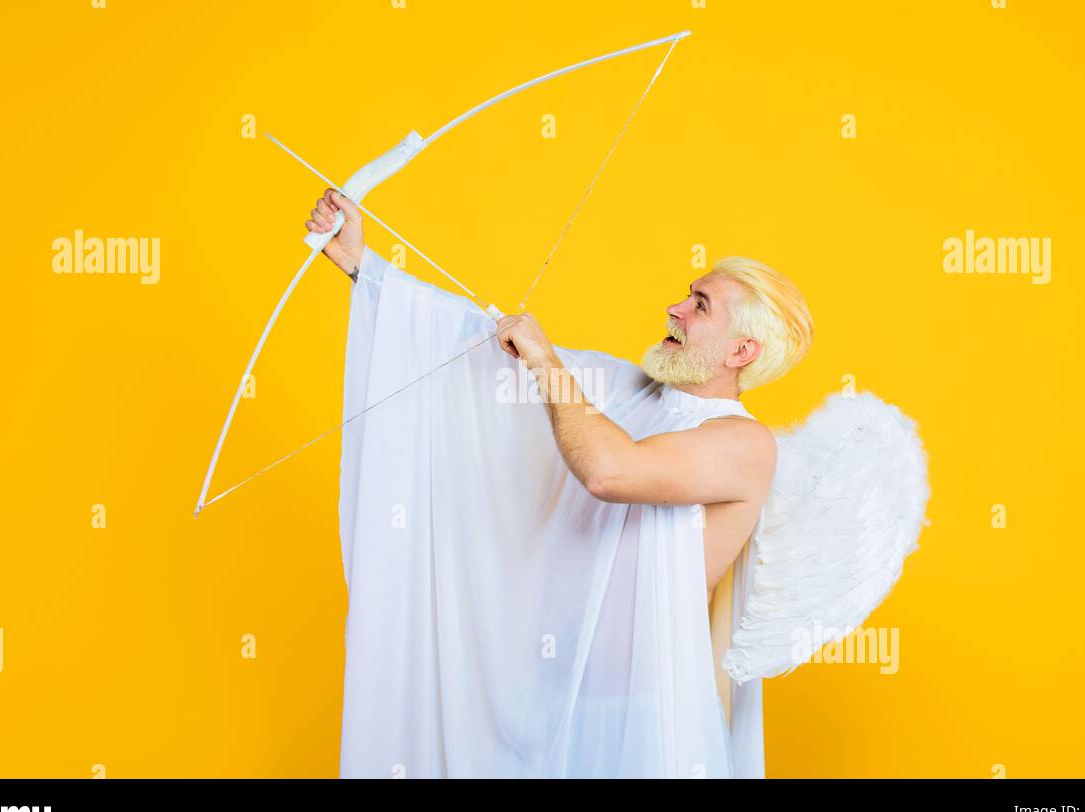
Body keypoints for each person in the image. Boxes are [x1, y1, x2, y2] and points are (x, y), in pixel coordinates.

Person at [306, 187, 814, 777]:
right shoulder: (632, 390)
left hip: (637, 716)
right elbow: (486, 348)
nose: (675, 308)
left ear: (742, 350)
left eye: (700, 305)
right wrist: (365, 269)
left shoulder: (745, 443)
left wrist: (548, 362)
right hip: (544, 694)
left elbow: (610, 470)